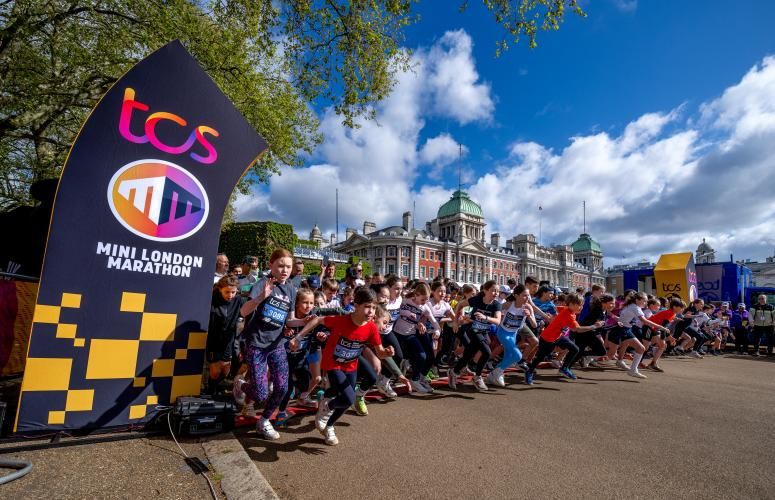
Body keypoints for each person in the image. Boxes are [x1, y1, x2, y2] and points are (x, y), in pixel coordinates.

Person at [291, 288, 395, 446]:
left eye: (374, 308)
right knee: (349, 397)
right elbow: (317, 320)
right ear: (356, 305)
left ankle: (329, 426)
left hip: (351, 365)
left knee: (345, 400)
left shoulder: (371, 327)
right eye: (367, 306)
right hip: (333, 364)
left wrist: (387, 352)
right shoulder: (341, 320)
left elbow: (380, 353)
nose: (371, 311)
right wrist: (299, 337)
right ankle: (328, 406)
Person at [232, 248, 297, 440]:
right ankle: (240, 385)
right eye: (280, 266)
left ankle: (264, 421)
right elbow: (243, 312)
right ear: (271, 265)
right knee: (260, 393)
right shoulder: (262, 284)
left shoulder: (291, 289)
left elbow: (290, 320)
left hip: (277, 345)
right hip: (257, 344)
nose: (285, 270)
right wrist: (262, 296)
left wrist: (303, 321)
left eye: (288, 267)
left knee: (282, 388)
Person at [524, 293, 603, 385]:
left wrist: (554, 316)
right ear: (571, 304)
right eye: (579, 305)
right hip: (547, 338)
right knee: (540, 357)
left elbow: (556, 308)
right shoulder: (569, 315)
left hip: (558, 336)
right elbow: (577, 329)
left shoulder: (568, 310)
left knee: (575, 349)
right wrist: (594, 326)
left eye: (582, 305)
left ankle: (564, 368)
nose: (581, 307)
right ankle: (529, 371)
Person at [448, 280, 502, 392]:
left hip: (483, 331)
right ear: (485, 290)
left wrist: (485, 317)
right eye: (493, 291)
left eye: (497, 291)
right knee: (487, 352)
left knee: (468, 354)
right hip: (472, 329)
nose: (496, 293)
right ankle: (477, 377)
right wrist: (456, 322)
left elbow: (497, 321)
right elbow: (460, 304)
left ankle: (453, 372)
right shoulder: (477, 300)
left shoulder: (496, 304)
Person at [392, 283, 441, 393]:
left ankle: (415, 380)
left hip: (410, 334)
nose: (425, 302)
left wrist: (437, 330)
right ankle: (386, 379)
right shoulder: (405, 300)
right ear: (417, 294)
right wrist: (408, 313)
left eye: (427, 299)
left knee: (422, 356)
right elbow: (396, 310)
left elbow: (434, 322)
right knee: (397, 357)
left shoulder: (424, 308)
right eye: (423, 299)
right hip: (397, 333)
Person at [487, 284, 535, 387]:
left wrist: (529, 316)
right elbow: (493, 310)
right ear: (516, 295)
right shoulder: (508, 305)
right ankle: (496, 373)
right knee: (518, 356)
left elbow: (534, 325)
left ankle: (495, 374)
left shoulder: (528, 307)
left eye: (528, 296)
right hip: (503, 332)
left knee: (509, 356)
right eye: (524, 295)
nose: (527, 298)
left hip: (513, 334)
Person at [206, 276, 246, 395]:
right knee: (215, 372)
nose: (230, 295)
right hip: (213, 340)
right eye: (227, 292)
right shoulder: (212, 299)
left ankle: (218, 388)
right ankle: (210, 391)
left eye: (233, 292)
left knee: (225, 371)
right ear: (219, 289)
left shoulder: (238, 300)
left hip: (228, 339)